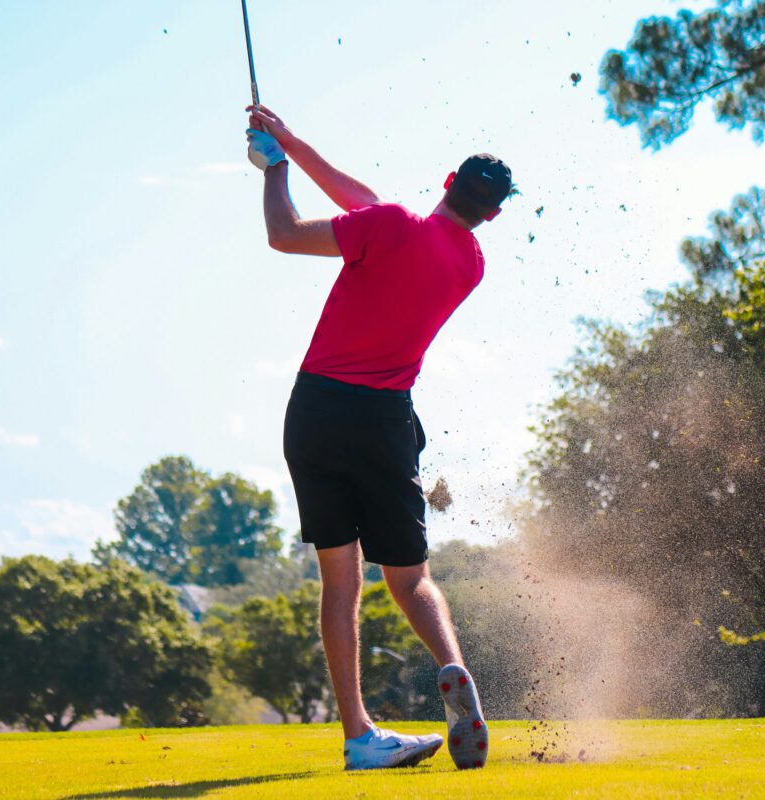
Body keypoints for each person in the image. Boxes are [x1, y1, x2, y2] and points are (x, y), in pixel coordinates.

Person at [244, 105, 511, 772]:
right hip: (385, 419)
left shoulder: (389, 226)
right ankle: (452, 668)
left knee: (340, 581)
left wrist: (273, 167)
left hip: (316, 412)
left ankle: (359, 734)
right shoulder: (469, 263)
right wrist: (293, 142)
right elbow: (367, 205)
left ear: (446, 179)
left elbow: (284, 234)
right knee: (410, 577)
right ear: (493, 215)